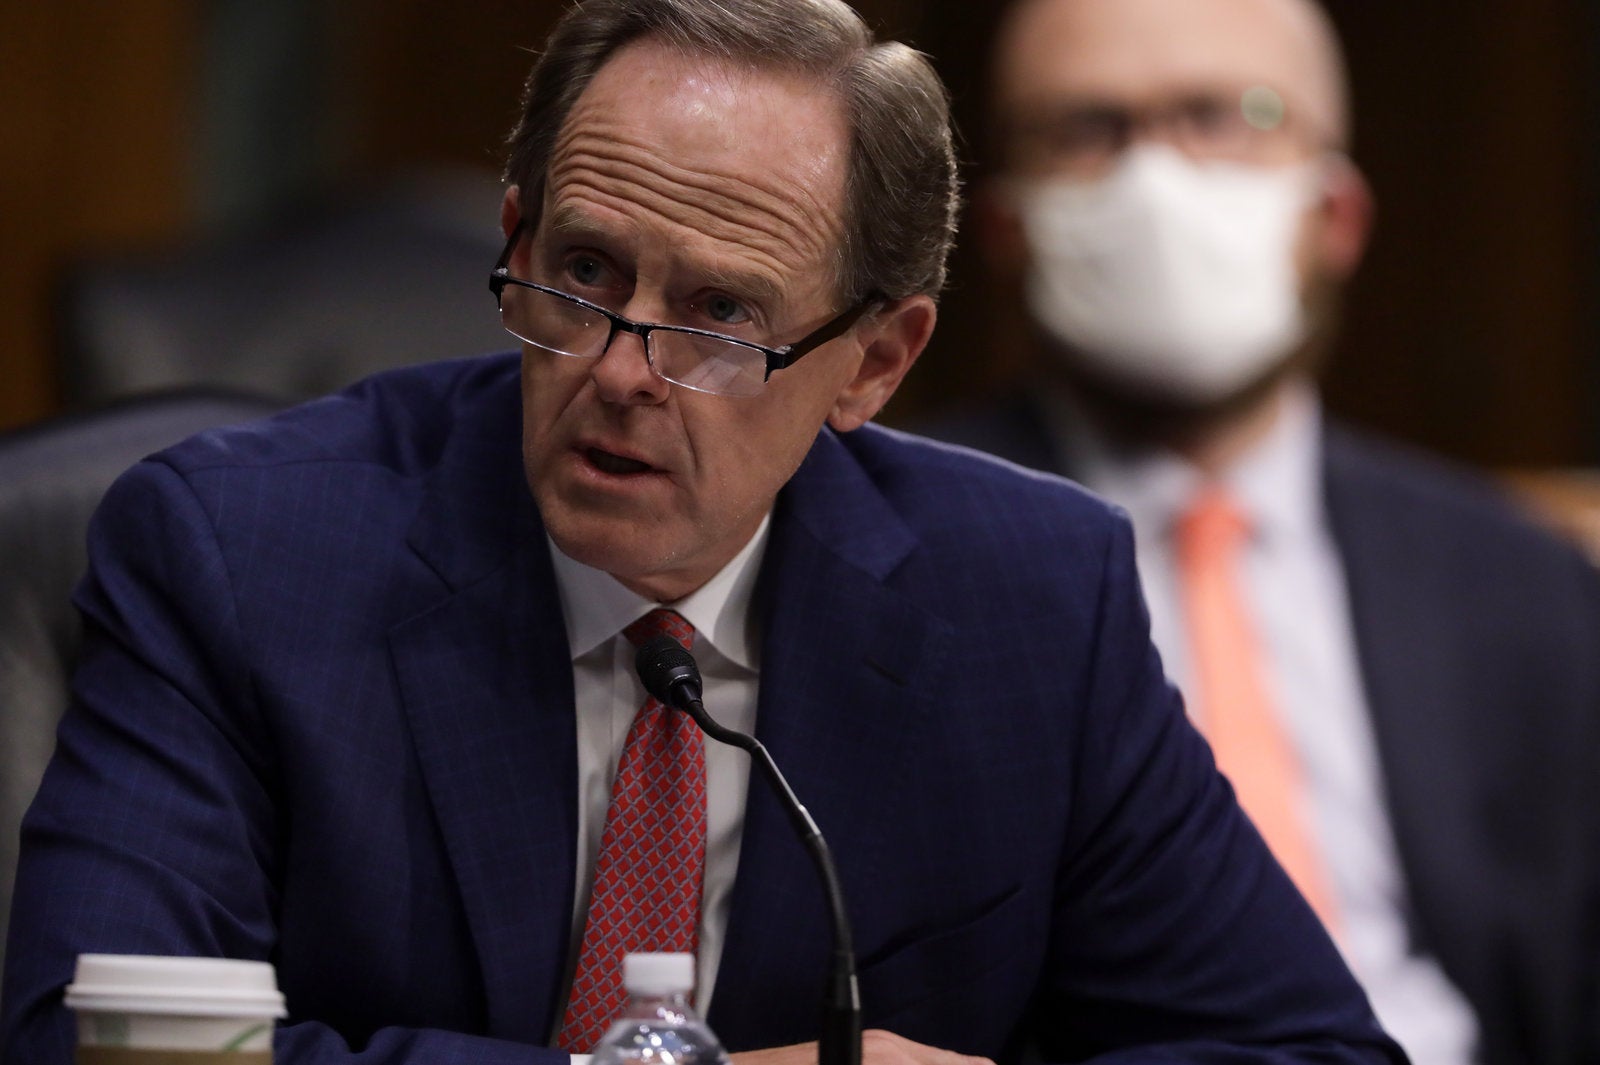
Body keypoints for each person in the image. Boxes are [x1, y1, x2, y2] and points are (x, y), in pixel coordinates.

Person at [0, 1, 1402, 1062]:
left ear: (874, 362)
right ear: (516, 233)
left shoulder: (1027, 601)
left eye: (722, 316)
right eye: (584, 274)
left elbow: (1310, 1049)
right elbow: (95, 1036)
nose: (618, 368)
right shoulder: (243, 552)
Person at [919, 0, 1600, 1062]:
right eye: (1085, 129)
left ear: (1337, 217)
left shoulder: (1523, 583)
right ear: (1003, 230)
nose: (1155, 179)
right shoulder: (885, 549)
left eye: (1221, 115)